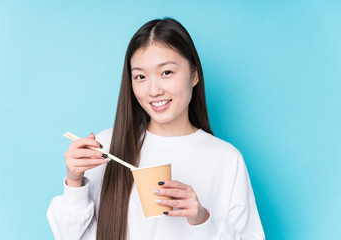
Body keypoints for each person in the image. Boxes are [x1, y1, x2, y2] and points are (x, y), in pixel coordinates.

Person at [47, 18, 265, 240]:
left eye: (166, 73)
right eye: (140, 76)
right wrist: (75, 182)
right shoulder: (108, 147)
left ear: (194, 75)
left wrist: (201, 219)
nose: (153, 90)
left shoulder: (226, 159)